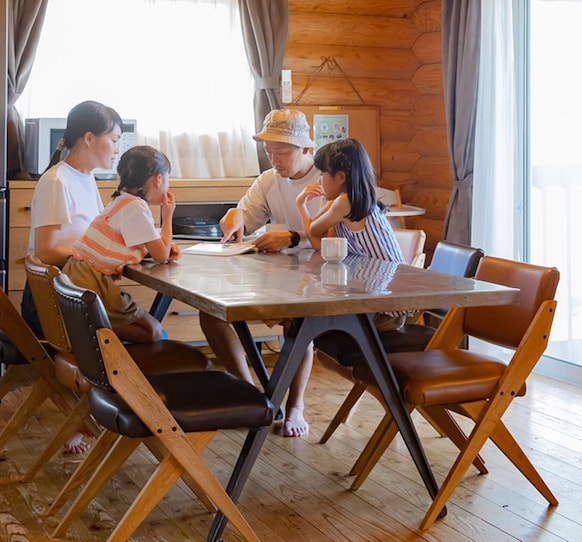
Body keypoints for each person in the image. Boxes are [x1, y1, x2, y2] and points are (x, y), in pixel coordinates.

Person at [205, 108, 323, 438]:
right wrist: (235, 217)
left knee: (297, 325)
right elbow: (246, 214)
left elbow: (341, 239)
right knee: (212, 314)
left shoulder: (327, 179)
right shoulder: (269, 180)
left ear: (306, 149)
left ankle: (296, 406)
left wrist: (294, 236)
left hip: (321, 281)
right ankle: (251, 397)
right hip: (275, 277)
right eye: (269, 151)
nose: (274, 159)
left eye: (282, 152)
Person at [23, 99, 124, 453]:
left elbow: (92, 238)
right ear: (88, 138)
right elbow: (48, 250)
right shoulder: (56, 182)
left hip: (75, 295)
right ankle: (102, 412)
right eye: (113, 139)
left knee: (137, 328)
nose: (117, 148)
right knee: (140, 332)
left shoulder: (85, 179)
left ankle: (99, 412)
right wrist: (96, 256)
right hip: (52, 303)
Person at [62, 145, 178, 343]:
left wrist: (160, 245)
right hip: (92, 281)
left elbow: (134, 243)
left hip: (77, 274)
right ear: (158, 179)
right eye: (166, 180)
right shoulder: (135, 207)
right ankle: (92, 330)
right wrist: (167, 216)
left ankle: (91, 328)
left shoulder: (122, 201)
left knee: (154, 331)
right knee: (154, 332)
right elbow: (162, 256)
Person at [296, 138, 412, 330]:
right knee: (317, 328)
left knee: (316, 327)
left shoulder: (346, 203)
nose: (319, 181)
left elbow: (314, 231)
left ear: (340, 177)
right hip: (377, 300)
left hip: (387, 309)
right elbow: (321, 246)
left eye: (323, 174)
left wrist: (301, 204)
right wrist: (324, 205)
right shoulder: (348, 202)